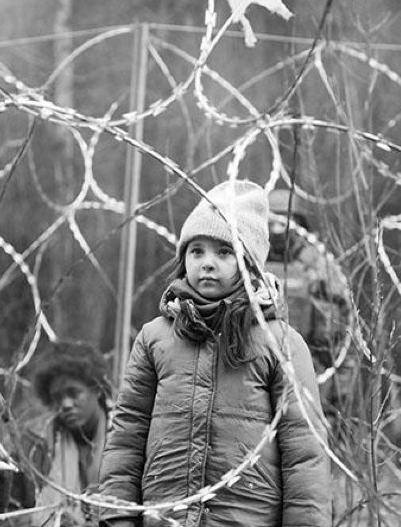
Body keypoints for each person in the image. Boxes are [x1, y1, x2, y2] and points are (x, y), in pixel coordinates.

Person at [98, 180, 331, 527]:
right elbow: (126, 435)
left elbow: (304, 452)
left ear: (249, 263)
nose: (208, 263)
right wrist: (117, 517)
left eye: (224, 253)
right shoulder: (154, 339)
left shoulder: (280, 342)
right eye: (197, 251)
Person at [263, 188, 351, 417]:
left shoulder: (319, 268)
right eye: (271, 221)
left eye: (284, 221)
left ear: (298, 223)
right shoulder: (248, 265)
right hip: (258, 376)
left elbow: (343, 337)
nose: (276, 229)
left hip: (310, 378)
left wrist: (339, 398)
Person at [17, 341, 113, 526]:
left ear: (97, 390)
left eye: (73, 393)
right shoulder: (37, 445)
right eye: (58, 397)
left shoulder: (129, 436)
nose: (66, 404)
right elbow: (16, 511)